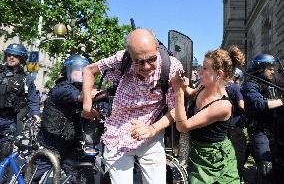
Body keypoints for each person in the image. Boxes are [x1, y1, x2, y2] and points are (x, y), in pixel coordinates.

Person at [82, 28, 183, 184]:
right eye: (139, 61)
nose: (147, 66)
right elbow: (89, 70)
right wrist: (87, 106)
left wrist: (152, 129)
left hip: (152, 131)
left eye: (151, 59)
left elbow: (176, 110)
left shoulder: (171, 67)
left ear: (157, 48)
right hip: (118, 132)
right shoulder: (121, 58)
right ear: (130, 54)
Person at [172, 45, 245, 184]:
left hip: (215, 158)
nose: (200, 72)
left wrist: (178, 91)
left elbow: (183, 126)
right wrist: (182, 84)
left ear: (219, 74)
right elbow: (192, 94)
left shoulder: (222, 105)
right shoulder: (204, 85)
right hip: (198, 152)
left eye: (205, 68)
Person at [34, 54, 101, 183]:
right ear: (67, 71)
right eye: (78, 69)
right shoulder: (62, 89)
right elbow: (81, 97)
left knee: (82, 177)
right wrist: (105, 93)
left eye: (84, 70)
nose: (82, 73)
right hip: (51, 144)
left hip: (72, 144)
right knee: (33, 175)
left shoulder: (84, 89)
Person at [241, 54, 284, 184]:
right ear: (260, 68)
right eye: (269, 68)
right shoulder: (250, 85)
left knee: (278, 164)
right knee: (266, 166)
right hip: (258, 130)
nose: (273, 71)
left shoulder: (271, 85)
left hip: (273, 130)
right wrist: (282, 101)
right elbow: (258, 104)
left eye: (273, 68)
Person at [0, 43, 40, 182]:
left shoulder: (26, 79)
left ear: (22, 58)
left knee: (5, 151)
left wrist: (36, 113)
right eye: (9, 54)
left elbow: (33, 98)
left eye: (15, 55)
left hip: (9, 120)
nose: (11, 57)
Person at [225, 68, 247, 182]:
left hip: (223, 126)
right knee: (239, 150)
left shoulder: (222, 87)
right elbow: (242, 105)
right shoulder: (235, 87)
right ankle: (239, 176)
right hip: (235, 125)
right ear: (236, 77)